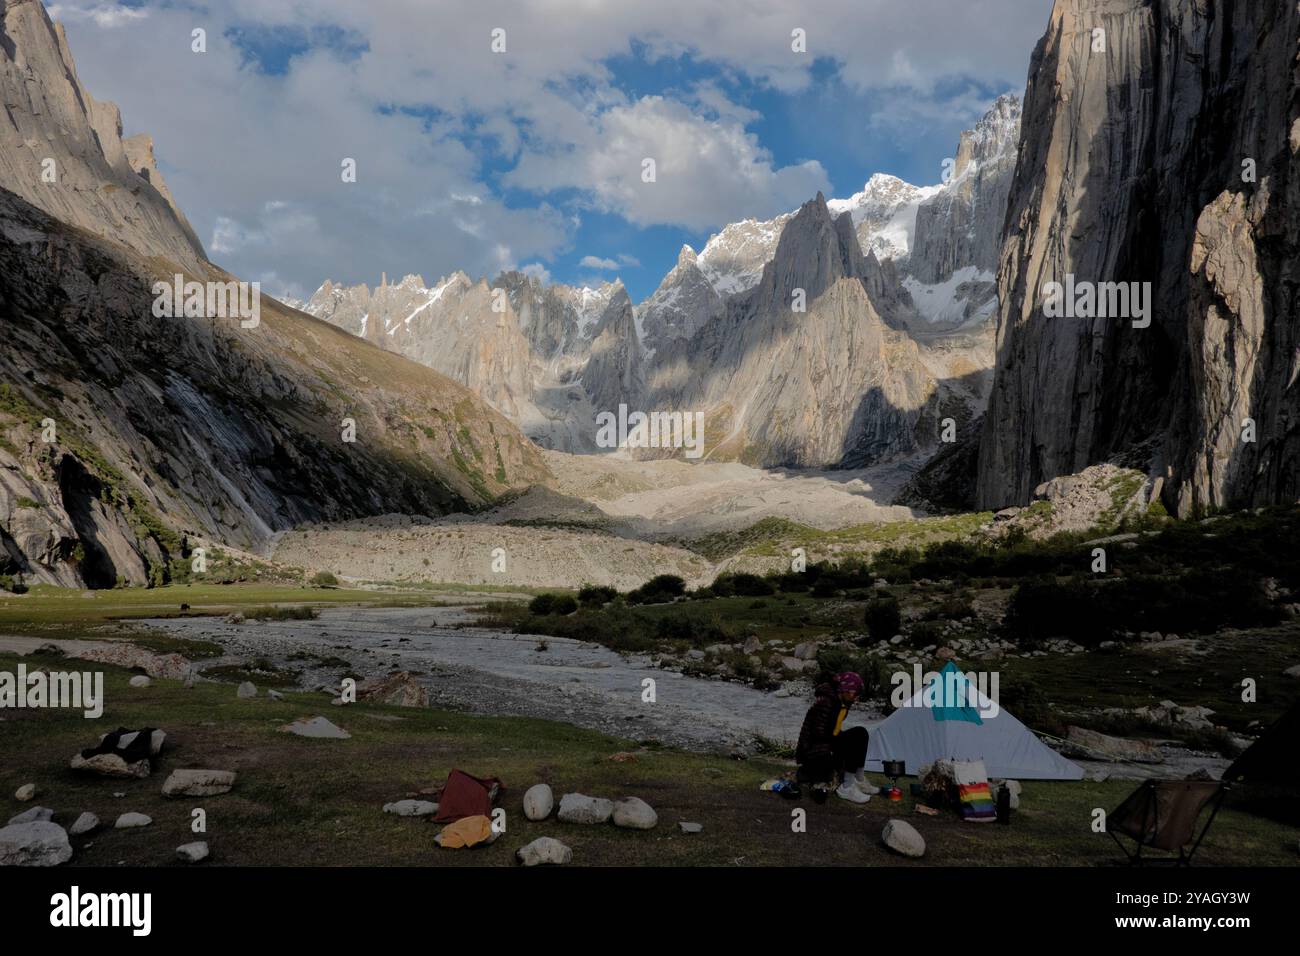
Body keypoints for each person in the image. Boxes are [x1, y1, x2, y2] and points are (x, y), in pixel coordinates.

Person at [795, 671, 879, 803]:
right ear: (846, 690)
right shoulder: (825, 703)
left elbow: (833, 731)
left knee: (861, 733)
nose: (857, 698)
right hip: (815, 754)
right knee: (854, 739)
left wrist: (840, 741)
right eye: (855, 694)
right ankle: (846, 788)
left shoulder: (840, 702)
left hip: (827, 745)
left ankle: (858, 779)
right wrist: (841, 745)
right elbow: (819, 734)